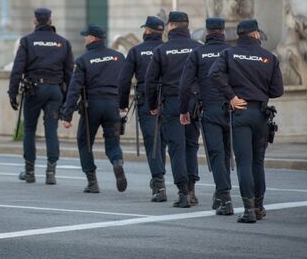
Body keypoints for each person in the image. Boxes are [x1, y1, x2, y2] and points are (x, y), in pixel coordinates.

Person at [209, 19, 284, 223]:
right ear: (256, 34)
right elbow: (278, 91)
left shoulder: (229, 54)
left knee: (243, 162)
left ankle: (249, 209)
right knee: (257, 162)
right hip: (260, 114)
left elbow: (214, 74)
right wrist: (260, 92)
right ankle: (259, 206)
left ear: (239, 35)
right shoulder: (269, 57)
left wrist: (231, 96)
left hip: (240, 112)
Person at [8, 8, 74, 185]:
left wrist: (12, 93)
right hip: (55, 92)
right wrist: (68, 100)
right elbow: (69, 74)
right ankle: (51, 173)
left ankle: (29, 172)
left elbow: (17, 70)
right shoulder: (63, 43)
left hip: (34, 90)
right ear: (50, 21)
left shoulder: (27, 41)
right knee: (51, 130)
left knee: (29, 129)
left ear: (35, 21)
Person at [61, 24, 127, 193]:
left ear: (91, 38)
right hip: (113, 105)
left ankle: (92, 182)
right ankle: (117, 163)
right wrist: (123, 105)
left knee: (84, 142)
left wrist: (67, 115)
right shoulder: (118, 57)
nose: (84, 39)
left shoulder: (83, 60)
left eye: (86, 36)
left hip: (92, 107)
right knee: (113, 143)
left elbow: (74, 89)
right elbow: (126, 82)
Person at [145, 11, 202, 208]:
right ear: (186, 26)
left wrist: (152, 105)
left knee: (176, 148)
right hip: (195, 103)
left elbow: (150, 82)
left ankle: (183, 192)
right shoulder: (198, 48)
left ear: (170, 26)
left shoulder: (162, 50)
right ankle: (192, 188)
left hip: (171, 103)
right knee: (192, 146)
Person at [178, 17, 234, 215]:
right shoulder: (231, 52)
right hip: (234, 108)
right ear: (223, 31)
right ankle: (222, 194)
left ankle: (224, 196)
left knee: (217, 153)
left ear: (207, 32)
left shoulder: (198, 53)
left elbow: (184, 85)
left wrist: (184, 110)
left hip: (210, 109)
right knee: (228, 153)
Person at [118, 16, 167, 202]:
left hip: (147, 100)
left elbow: (124, 81)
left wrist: (122, 104)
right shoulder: (166, 49)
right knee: (162, 141)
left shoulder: (136, 51)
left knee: (152, 142)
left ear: (147, 30)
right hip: (169, 100)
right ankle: (184, 187)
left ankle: (158, 183)